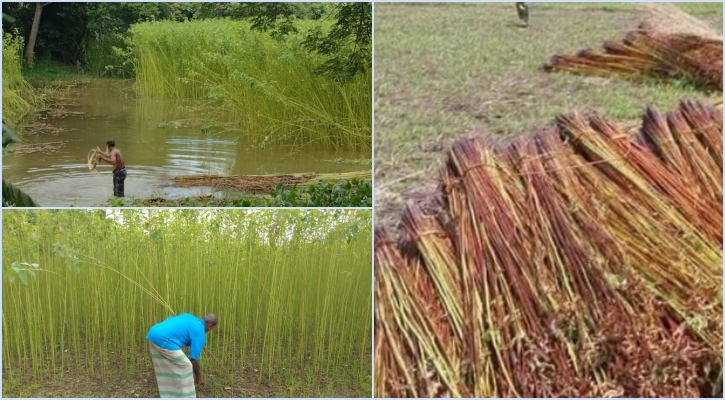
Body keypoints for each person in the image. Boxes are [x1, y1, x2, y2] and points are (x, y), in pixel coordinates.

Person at [146, 313, 218, 398]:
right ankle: (185, 396)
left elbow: (168, 320)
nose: (210, 330)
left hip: (153, 331)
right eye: (212, 328)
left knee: (171, 363)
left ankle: (168, 390)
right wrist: (199, 377)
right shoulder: (200, 334)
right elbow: (194, 359)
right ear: (210, 325)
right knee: (186, 365)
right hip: (163, 339)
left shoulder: (189, 316)